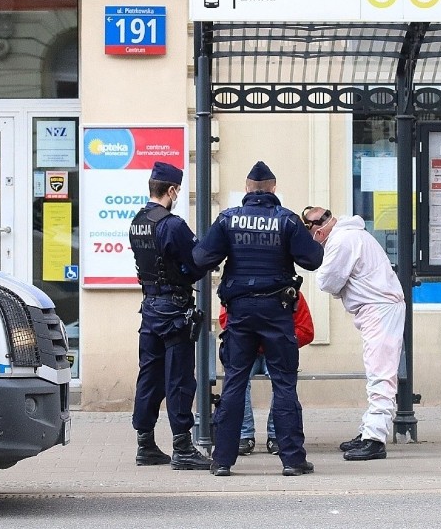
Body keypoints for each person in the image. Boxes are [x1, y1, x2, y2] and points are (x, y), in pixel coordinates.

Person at [193, 161, 324, 477]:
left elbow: (201, 258)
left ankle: (223, 459)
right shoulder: (288, 221)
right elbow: (312, 260)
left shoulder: (228, 220)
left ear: (248, 188)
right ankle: (292, 460)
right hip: (277, 312)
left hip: (239, 313)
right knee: (284, 383)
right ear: (273, 188)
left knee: (235, 381)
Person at [303, 206, 405, 461]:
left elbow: (327, 281)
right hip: (376, 308)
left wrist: (339, 286)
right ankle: (369, 430)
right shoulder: (351, 234)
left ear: (319, 229)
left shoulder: (342, 240)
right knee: (376, 371)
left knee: (380, 375)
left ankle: (374, 439)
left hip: (378, 310)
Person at [129, 161, 211, 470]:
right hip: (174, 309)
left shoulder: (138, 221)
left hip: (149, 308)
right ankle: (182, 448)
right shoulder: (172, 224)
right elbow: (195, 262)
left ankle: (145, 444)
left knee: (149, 377)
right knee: (178, 378)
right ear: (172, 190)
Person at [218, 292, 315, 457]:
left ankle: (275, 435)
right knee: (240, 383)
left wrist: (272, 342)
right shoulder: (241, 289)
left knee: (279, 383)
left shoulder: (292, 294)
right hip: (252, 351)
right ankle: (245, 435)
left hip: (274, 349)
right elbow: (225, 321)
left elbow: (306, 331)